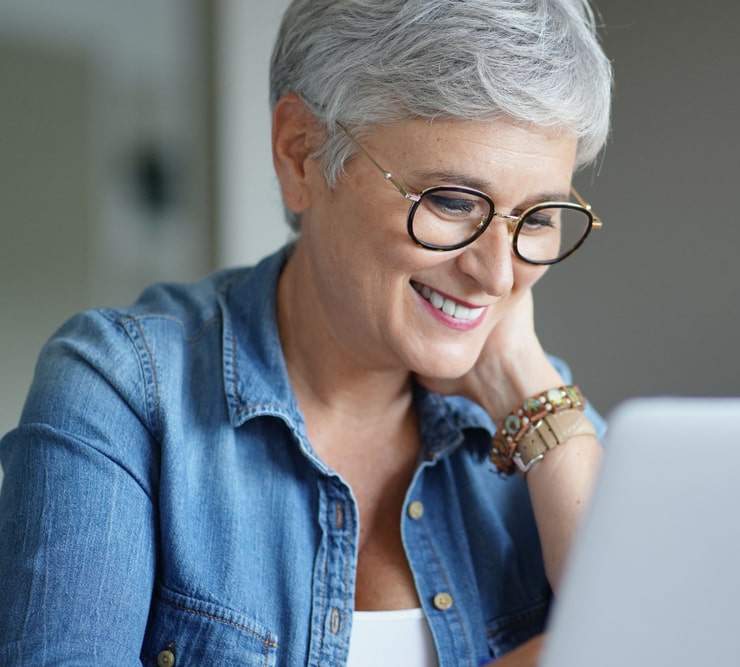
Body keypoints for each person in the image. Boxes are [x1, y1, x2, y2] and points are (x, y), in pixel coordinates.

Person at [0, 0, 613, 664]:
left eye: (541, 215)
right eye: (452, 201)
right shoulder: (122, 391)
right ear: (301, 156)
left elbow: (670, 634)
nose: (497, 274)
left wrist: (528, 387)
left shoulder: (541, 418)